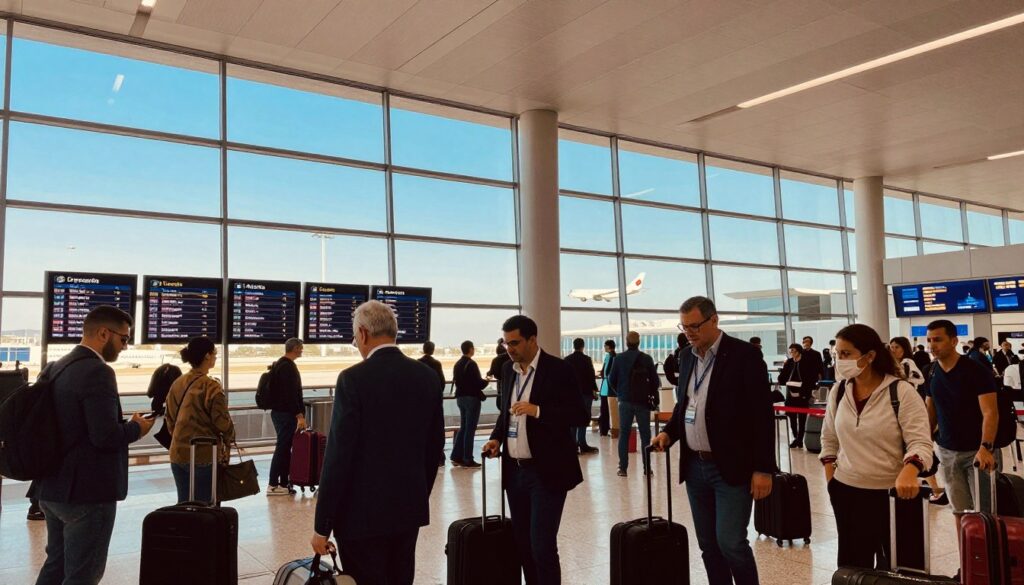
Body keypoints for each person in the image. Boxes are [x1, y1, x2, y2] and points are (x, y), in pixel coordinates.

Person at [310, 300, 444, 585]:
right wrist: (417, 495)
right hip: (408, 509)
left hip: (361, 517)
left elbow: (338, 456)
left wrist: (323, 525)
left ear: (363, 333)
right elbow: (434, 449)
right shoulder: (427, 377)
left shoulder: (353, 379)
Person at [652, 296, 773, 585]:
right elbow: (686, 405)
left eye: (694, 326)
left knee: (730, 542)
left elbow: (761, 415)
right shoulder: (686, 356)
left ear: (714, 320)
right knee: (708, 546)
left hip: (730, 466)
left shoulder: (744, 355)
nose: (689, 333)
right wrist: (669, 432)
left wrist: (764, 468)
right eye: (684, 327)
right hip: (695, 466)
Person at [34, 306, 155, 585]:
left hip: (52, 486)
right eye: (124, 339)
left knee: (56, 567)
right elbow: (104, 437)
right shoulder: (98, 371)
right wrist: (137, 427)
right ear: (104, 333)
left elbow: (74, 424)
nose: (125, 347)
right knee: (83, 575)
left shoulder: (56, 366)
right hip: (87, 493)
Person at [482, 315, 589, 585]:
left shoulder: (558, 369)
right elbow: (506, 413)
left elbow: (580, 415)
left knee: (542, 545)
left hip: (547, 472)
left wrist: (538, 410)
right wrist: (497, 438)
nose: (510, 348)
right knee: (524, 545)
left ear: (532, 339)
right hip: (515, 471)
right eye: (506, 343)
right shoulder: (508, 370)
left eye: (515, 342)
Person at [820, 324, 933, 570]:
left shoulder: (901, 392)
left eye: (847, 354)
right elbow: (829, 437)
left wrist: (910, 469)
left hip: (894, 495)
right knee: (852, 567)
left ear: (870, 356)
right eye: (837, 354)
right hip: (847, 492)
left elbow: (921, 441)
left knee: (898, 567)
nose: (840, 360)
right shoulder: (839, 391)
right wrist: (831, 479)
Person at [925, 319, 1000, 545]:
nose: (932, 345)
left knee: (985, 514)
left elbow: (990, 412)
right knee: (959, 512)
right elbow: (930, 410)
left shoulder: (976, 370)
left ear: (954, 341)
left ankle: (989, 564)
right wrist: (923, 443)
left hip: (976, 453)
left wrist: (985, 447)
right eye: (929, 340)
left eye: (938, 340)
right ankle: (967, 563)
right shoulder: (931, 371)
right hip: (947, 451)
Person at [164, 336, 236, 504]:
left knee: (184, 505)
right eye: (215, 353)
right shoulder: (211, 386)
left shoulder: (178, 383)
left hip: (178, 454)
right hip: (204, 455)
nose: (216, 357)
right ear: (207, 356)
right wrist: (230, 437)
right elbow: (222, 422)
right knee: (205, 507)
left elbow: (170, 419)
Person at [889, 336, 947, 506]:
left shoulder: (906, 363)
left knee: (913, 452)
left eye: (897, 347)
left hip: (904, 412)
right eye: (891, 347)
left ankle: (935, 490)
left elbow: (916, 381)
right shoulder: (897, 364)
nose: (893, 350)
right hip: (898, 411)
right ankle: (934, 489)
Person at [608, 331, 658, 477]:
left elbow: (611, 380)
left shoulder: (619, 359)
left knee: (624, 434)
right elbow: (655, 381)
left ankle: (623, 468)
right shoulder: (647, 359)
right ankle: (647, 468)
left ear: (626, 342)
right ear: (639, 342)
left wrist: (620, 393)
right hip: (642, 402)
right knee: (645, 436)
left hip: (624, 401)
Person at [267, 338, 307, 496]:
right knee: (282, 448)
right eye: (301, 348)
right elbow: (291, 395)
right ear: (295, 348)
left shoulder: (280, 364)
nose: (302, 350)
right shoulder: (288, 367)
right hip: (285, 414)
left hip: (279, 413)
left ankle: (284, 482)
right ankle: (272, 483)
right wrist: (300, 416)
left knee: (285, 448)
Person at [452, 340, 487, 468]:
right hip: (472, 399)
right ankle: (467, 458)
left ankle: (456, 456)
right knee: (470, 430)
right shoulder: (471, 364)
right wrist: (487, 381)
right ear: (471, 349)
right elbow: (478, 383)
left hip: (460, 398)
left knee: (464, 427)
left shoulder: (457, 364)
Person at [778, 343, 817, 449]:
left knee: (802, 417)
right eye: (790, 351)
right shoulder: (789, 362)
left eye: (794, 351)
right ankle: (796, 437)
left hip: (803, 393)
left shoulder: (806, 362)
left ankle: (800, 439)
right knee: (791, 417)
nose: (792, 353)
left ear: (799, 351)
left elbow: (811, 378)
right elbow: (782, 377)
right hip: (790, 393)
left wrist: (805, 392)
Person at [564, 338, 599, 454]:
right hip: (586, 393)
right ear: (582, 346)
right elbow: (591, 375)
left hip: (571, 394)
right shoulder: (586, 359)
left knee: (572, 418)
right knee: (584, 418)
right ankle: (582, 443)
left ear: (574, 346)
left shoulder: (567, 360)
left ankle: (573, 445)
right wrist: (594, 389)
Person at [418, 341, 447, 467]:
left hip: (420, 401)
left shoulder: (417, 363)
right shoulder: (436, 364)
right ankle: (439, 456)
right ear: (433, 350)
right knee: (436, 428)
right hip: (434, 400)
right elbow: (441, 382)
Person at [597, 340, 617, 437]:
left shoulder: (611, 356)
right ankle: (606, 428)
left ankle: (604, 429)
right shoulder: (612, 356)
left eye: (605, 346)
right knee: (607, 409)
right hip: (607, 386)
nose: (604, 347)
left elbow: (607, 372)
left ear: (608, 346)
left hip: (607, 387)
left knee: (605, 409)